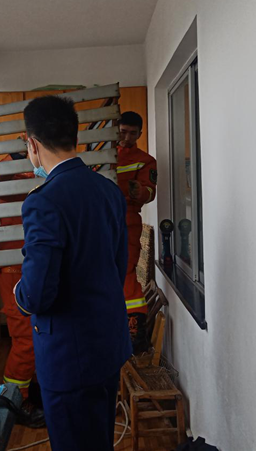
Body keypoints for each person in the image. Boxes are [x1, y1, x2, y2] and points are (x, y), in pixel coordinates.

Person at [14, 95, 131, 450]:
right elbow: (118, 266)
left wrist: (20, 291)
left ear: (33, 145)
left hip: (68, 356)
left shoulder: (43, 201)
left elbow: (37, 295)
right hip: (107, 345)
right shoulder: (108, 190)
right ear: (74, 136)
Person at [0, 148, 45, 427]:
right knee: (26, 339)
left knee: (37, 334)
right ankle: (15, 400)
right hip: (14, 267)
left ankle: (30, 392)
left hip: (34, 262)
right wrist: (14, 157)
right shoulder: (7, 169)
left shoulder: (42, 170)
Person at [116, 111, 157, 354]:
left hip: (127, 219)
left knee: (126, 270)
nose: (127, 137)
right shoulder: (100, 153)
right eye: (123, 132)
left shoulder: (145, 160)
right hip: (98, 220)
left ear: (140, 134)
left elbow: (150, 192)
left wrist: (140, 192)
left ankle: (135, 330)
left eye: (133, 133)